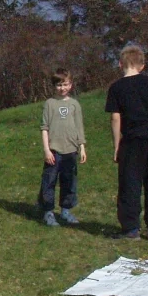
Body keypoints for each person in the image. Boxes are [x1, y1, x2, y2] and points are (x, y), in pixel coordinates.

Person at [106, 45, 148, 240]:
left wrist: (116, 146)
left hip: (133, 140)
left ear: (120, 64)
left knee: (130, 182)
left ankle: (131, 228)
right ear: (142, 65)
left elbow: (115, 118)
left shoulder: (116, 87)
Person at [38, 69, 87, 227]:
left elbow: (79, 127)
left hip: (71, 150)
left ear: (71, 85)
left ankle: (66, 211)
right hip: (54, 150)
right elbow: (44, 128)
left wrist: (82, 147)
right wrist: (46, 149)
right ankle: (48, 212)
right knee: (49, 181)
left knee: (69, 181)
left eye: (65, 84)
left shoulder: (74, 105)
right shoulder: (49, 104)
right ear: (54, 86)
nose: (62, 88)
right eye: (59, 85)